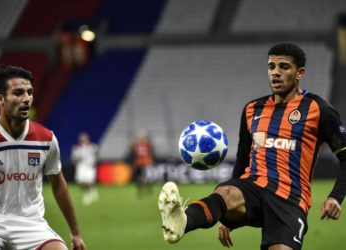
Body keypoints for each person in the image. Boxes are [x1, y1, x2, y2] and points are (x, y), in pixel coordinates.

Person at [158, 43, 346, 250]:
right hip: (253, 187)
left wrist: (335, 197)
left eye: (284, 67)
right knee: (225, 193)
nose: (275, 73)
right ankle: (182, 221)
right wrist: (225, 216)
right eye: (271, 66)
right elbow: (242, 159)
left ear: (300, 73)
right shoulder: (252, 109)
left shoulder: (319, 109)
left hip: (290, 199)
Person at [0, 65, 86, 250]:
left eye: (30, 93)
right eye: (18, 93)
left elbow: (59, 185)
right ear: (0, 99)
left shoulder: (46, 139)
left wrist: (75, 233)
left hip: (31, 225)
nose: (26, 99)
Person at [71, 132, 99, 205]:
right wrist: (75, 162)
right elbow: (74, 158)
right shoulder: (76, 148)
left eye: (84, 138)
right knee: (81, 181)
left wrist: (95, 161)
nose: (83, 139)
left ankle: (88, 194)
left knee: (88, 181)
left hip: (89, 166)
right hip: (81, 166)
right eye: (81, 138)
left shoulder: (92, 146)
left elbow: (97, 154)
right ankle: (87, 193)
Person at [130, 129, 154, 197]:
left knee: (147, 176)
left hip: (145, 162)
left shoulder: (147, 143)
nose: (141, 137)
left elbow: (150, 152)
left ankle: (148, 190)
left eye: (142, 136)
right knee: (139, 177)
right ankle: (140, 191)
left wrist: (150, 159)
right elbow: (133, 151)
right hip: (139, 163)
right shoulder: (137, 144)